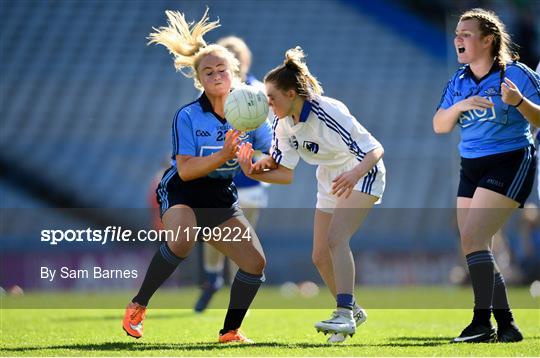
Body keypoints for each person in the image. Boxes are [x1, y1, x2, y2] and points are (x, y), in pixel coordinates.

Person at [122, 9, 272, 343]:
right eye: (208, 72)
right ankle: (138, 305)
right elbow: (186, 170)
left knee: (255, 264)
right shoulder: (188, 116)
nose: (216, 75)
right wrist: (224, 154)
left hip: (220, 197)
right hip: (182, 192)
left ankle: (230, 331)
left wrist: (259, 161)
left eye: (222, 69)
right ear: (199, 80)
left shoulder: (251, 113)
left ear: (235, 73)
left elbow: (271, 156)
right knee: (183, 238)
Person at [237, 47, 386, 342]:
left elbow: (375, 149)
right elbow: (284, 173)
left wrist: (354, 174)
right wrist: (253, 169)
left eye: (272, 98)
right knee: (319, 255)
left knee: (336, 239)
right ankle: (353, 310)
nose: (268, 105)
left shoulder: (327, 111)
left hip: (362, 172)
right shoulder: (281, 123)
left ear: (292, 94)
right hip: (330, 179)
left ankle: (343, 313)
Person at [433, 8, 540, 343]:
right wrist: (458, 107)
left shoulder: (517, 74)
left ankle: (482, 323)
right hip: (472, 165)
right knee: (473, 244)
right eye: (457, 34)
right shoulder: (459, 81)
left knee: (474, 239)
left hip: (509, 161)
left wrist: (519, 101)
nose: (458, 39)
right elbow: (440, 125)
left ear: (488, 40)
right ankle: (506, 326)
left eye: (466, 34)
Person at [194, 36, 271, 313]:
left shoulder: (256, 92)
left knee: (234, 239)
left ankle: (225, 287)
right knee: (233, 238)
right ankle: (218, 284)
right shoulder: (215, 94)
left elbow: (268, 136)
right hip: (229, 178)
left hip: (244, 179)